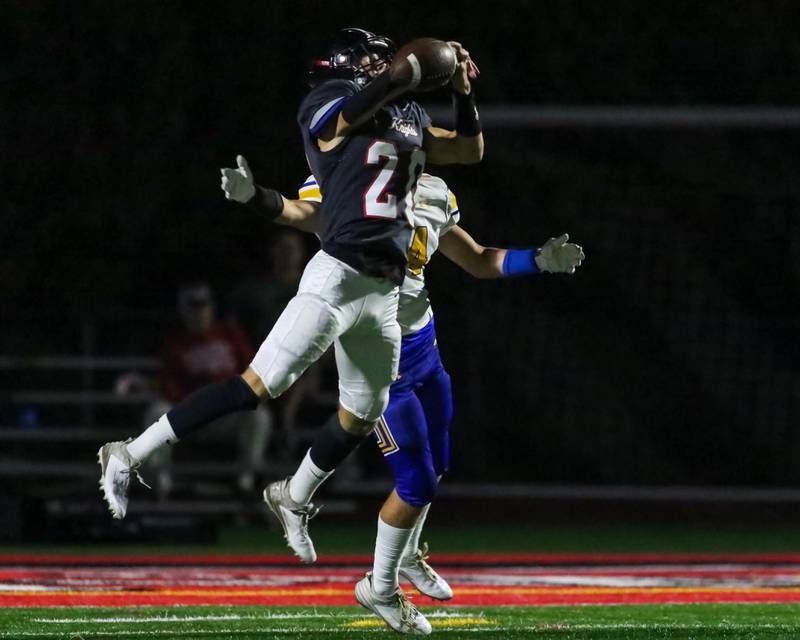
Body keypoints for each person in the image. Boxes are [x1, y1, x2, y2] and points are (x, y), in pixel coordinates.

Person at [98, 27, 483, 636]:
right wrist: (397, 77)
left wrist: (460, 92)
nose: (389, 62)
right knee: (259, 385)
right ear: (352, 65)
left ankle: (298, 500)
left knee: (362, 413)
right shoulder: (327, 98)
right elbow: (334, 132)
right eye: (377, 59)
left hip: (385, 291)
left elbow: (466, 152)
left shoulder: (405, 110)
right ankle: (128, 453)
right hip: (336, 276)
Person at [261, 172, 584, 633]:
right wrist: (265, 201)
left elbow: (474, 259)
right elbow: (303, 213)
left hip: (424, 350)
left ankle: (406, 552)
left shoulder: (432, 191)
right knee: (416, 484)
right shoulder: (349, 180)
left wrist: (537, 260)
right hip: (379, 359)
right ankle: (380, 586)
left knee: (437, 465)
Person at [142, 283, 272, 496]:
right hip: (190, 413)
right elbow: (168, 384)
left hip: (226, 411)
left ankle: (247, 482)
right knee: (157, 412)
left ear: (211, 308)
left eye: (203, 306)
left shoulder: (229, 334)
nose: (199, 312)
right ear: (183, 311)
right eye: (193, 307)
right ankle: (161, 483)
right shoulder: (175, 344)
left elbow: (252, 368)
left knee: (259, 415)